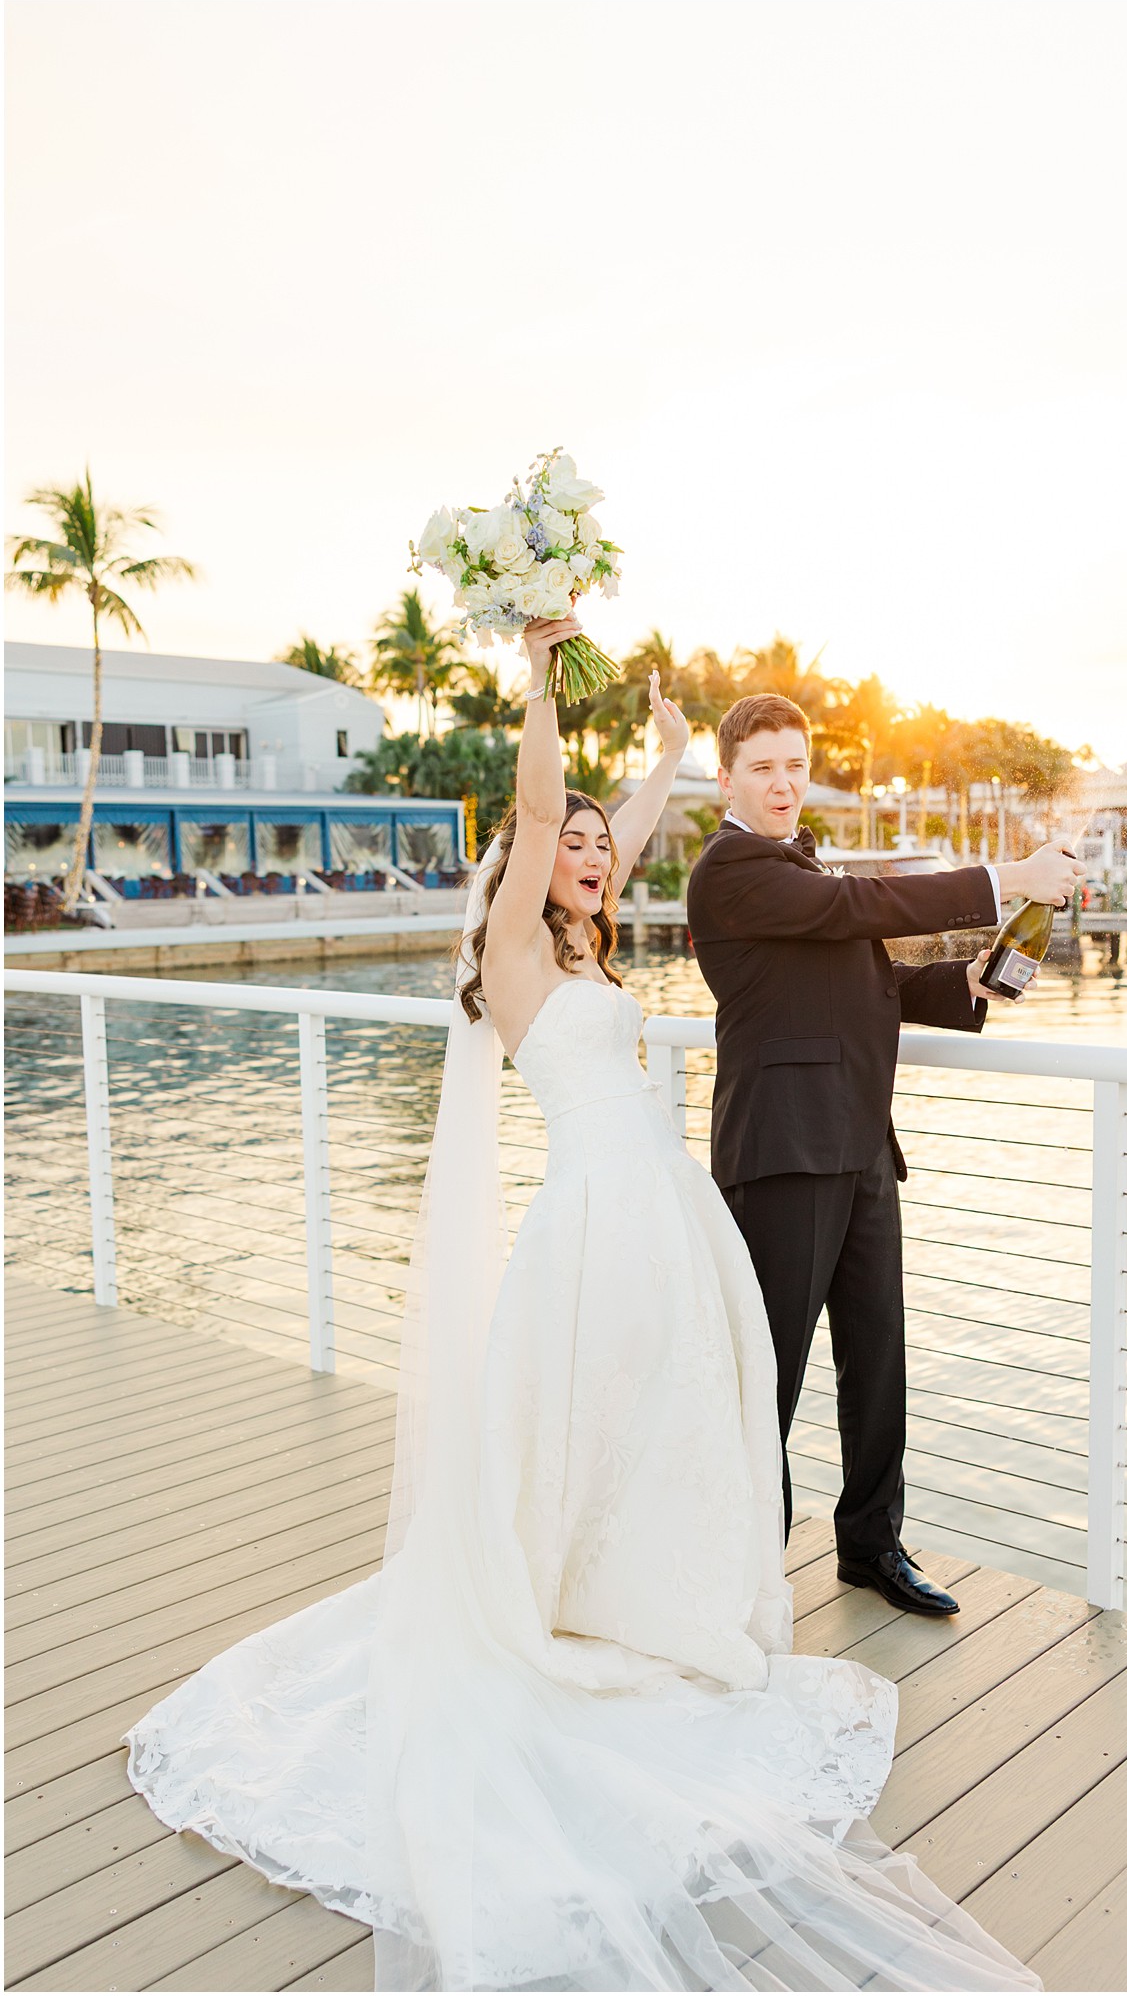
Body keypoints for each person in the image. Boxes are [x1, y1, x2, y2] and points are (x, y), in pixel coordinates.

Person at [123, 618, 1041, 1992]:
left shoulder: (588, 948)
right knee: (607, 1424)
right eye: (574, 842)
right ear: (523, 858)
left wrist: (664, 761)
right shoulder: (515, 951)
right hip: (596, 1225)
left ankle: (635, 1595)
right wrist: (542, 676)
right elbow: (545, 800)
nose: (593, 852)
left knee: (651, 1427)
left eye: (608, 847)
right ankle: (570, 1610)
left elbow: (612, 821)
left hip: (659, 1212)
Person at [687, 695, 1084, 1616]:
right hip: (782, 1154)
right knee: (769, 1375)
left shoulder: (795, 865)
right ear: (728, 780)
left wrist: (970, 981)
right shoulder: (731, 870)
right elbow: (861, 906)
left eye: (795, 764)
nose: (784, 783)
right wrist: (1008, 873)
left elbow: (864, 975)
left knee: (878, 1360)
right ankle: (739, 1569)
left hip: (861, 1142)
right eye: (763, 769)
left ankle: (871, 1547)